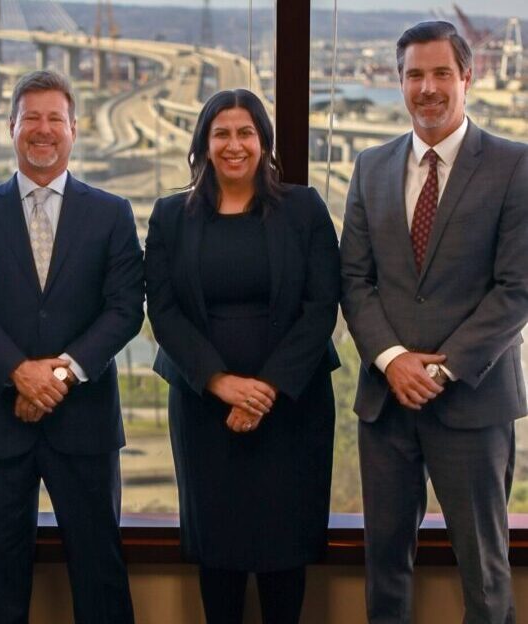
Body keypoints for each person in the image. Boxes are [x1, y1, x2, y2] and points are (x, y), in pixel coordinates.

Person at [340, 21, 528, 624]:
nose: (427, 87)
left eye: (441, 73)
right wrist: (393, 360)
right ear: (398, 82)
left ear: (467, 77)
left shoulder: (514, 166)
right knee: (385, 568)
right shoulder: (371, 166)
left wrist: (440, 371)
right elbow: (355, 280)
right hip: (386, 403)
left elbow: (516, 288)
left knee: (485, 572)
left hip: (473, 402)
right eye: (414, 75)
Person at [0, 69, 143, 624]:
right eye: (30, 117)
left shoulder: (111, 213)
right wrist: (17, 373)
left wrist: (60, 375)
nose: (43, 129)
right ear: (11, 126)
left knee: (99, 570)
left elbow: (126, 307)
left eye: (55, 118)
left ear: (74, 130)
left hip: (84, 421)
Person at [145, 89, 340, 624]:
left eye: (246, 132)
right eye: (222, 133)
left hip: (292, 411)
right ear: (204, 145)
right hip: (206, 411)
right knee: (219, 559)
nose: (235, 145)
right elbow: (163, 312)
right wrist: (222, 384)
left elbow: (322, 305)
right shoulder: (170, 216)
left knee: (285, 557)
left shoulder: (304, 209)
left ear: (265, 142)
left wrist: (266, 389)